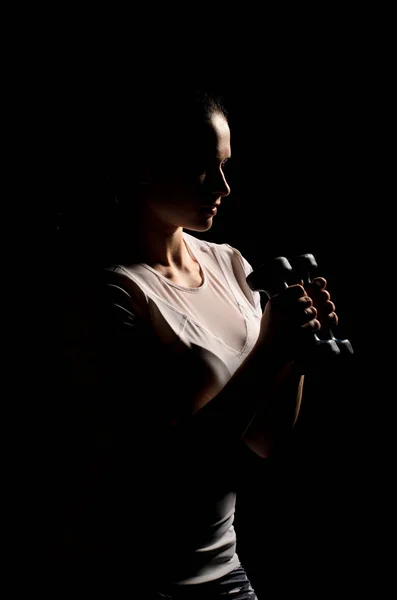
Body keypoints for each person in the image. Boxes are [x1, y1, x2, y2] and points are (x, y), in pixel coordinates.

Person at [59, 92, 338, 598]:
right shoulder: (110, 294)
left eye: (225, 166)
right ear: (144, 169)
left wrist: (295, 356)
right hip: (135, 581)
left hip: (225, 570)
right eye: (202, 169)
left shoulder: (232, 266)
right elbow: (167, 469)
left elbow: (265, 444)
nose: (225, 187)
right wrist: (272, 351)